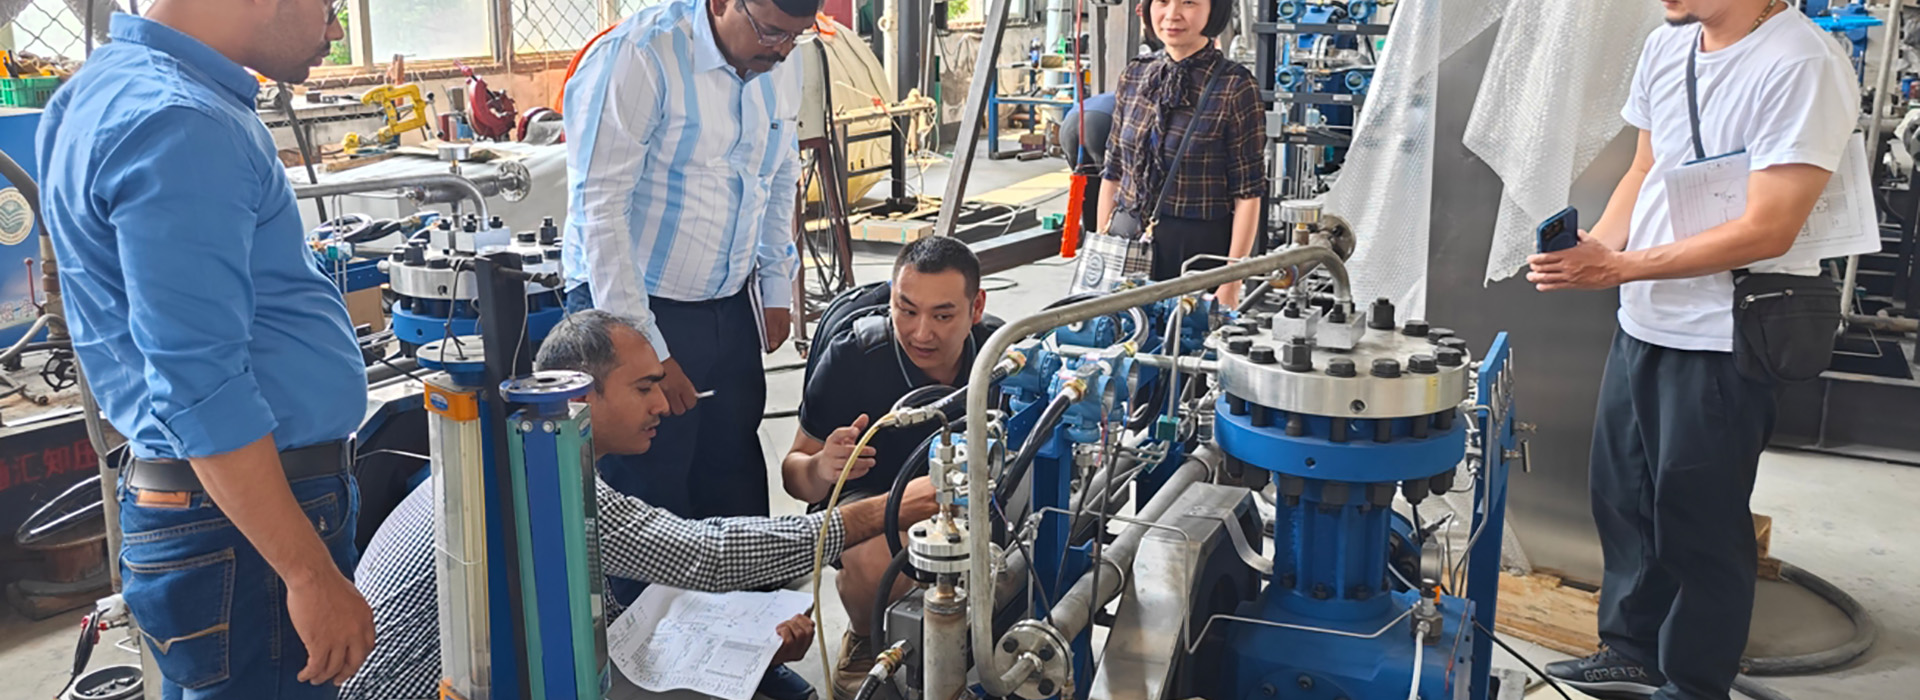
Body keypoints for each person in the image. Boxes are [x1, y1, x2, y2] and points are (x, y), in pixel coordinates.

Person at [343, 310, 942, 700]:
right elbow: (709, 554)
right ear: (580, 394)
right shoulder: (540, 480)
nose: (662, 404)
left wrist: (754, 643)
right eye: (644, 387)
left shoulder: (502, 457)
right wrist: (886, 510)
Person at [36, 2, 371, 698]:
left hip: (214, 509)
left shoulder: (98, 90)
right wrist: (307, 572)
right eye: (330, 6)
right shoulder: (181, 123)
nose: (336, 31)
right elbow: (200, 384)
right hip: (249, 524)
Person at [1527, 1, 1857, 698]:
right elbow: (1646, 167)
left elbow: (1770, 228)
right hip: (1645, 318)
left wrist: (1619, 267)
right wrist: (1598, 249)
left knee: (1698, 521)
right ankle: (1631, 650)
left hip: (1723, 333)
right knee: (1625, 501)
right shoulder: (1666, 47)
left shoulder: (1801, 63)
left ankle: (1694, 681)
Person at [559, 0, 814, 531]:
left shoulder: (780, 61)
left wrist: (774, 285)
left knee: (733, 472)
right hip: (630, 306)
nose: (783, 49)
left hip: (728, 303)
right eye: (771, 32)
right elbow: (600, 210)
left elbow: (777, 174)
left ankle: (742, 589)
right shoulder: (637, 58)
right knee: (648, 488)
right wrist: (648, 348)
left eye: (798, 35)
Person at [782, 237, 999, 699]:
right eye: (906, 310)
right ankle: (866, 635)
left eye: (943, 316)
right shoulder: (854, 358)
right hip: (874, 513)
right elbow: (793, 474)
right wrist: (821, 467)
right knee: (873, 561)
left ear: (976, 307)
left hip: (975, 503)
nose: (921, 333)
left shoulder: (998, 358)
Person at [1097, 0, 1264, 304]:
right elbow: (1113, 172)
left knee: (1182, 332)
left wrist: (1231, 282)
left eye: (1188, 2)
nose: (1172, 14)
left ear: (1214, 10)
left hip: (1195, 252)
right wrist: (1101, 247)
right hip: (1125, 239)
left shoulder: (1235, 85)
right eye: (1162, 1)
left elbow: (1248, 194)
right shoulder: (1135, 74)